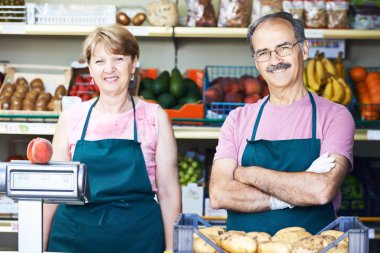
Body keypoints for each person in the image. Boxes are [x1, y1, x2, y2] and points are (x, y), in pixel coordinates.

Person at [209, 12, 355, 235]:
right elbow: (220, 194)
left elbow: (321, 190)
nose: (275, 60)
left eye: (283, 48)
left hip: (313, 249)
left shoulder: (335, 116)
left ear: (304, 49)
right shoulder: (237, 119)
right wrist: (297, 191)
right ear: (256, 62)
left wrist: (248, 174)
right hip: (245, 248)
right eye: (263, 53)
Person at [43, 24, 181, 253]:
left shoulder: (155, 118)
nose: (109, 69)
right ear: (89, 67)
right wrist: (37, 246)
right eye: (99, 61)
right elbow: (53, 193)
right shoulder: (71, 118)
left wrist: (173, 249)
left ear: (134, 61)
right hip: (74, 239)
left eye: (118, 58)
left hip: (140, 240)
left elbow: (168, 193)